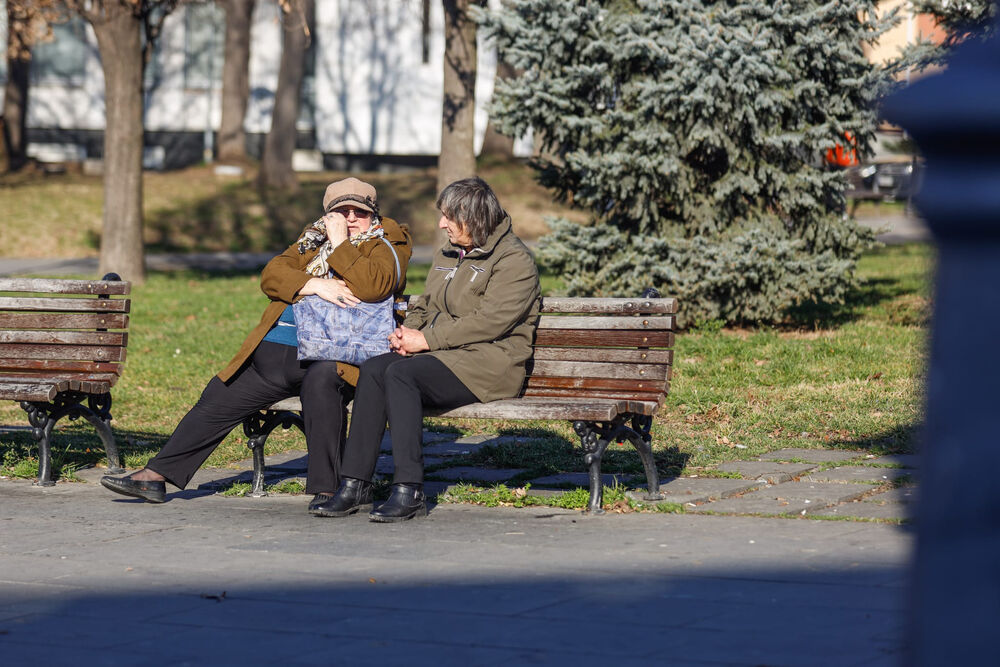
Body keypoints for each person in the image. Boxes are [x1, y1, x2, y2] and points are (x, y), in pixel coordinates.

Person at [100, 177, 412, 508]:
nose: (350, 219)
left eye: (358, 212)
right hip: (273, 358)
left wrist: (339, 245)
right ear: (326, 214)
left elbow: (374, 286)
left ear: (373, 214)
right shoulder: (311, 241)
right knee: (219, 394)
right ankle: (157, 476)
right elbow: (273, 274)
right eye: (341, 211)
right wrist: (315, 285)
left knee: (322, 384)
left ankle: (329, 487)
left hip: (333, 358)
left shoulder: (388, 245)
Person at [311, 176, 540, 522]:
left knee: (402, 375)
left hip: (491, 364)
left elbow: (490, 322)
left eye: (449, 216)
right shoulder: (449, 254)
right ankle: (355, 483)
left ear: (474, 218)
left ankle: (409, 489)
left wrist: (428, 341)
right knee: (375, 369)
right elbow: (427, 304)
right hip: (447, 356)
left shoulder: (514, 261)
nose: (441, 224)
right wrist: (409, 332)